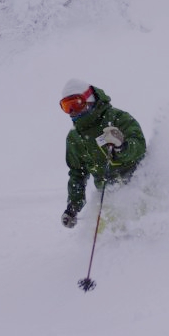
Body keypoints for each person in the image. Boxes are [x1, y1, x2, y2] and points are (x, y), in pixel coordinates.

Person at [58, 79, 147, 229]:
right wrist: (73, 206)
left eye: (76, 103)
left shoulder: (117, 118)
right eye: (67, 107)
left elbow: (139, 145)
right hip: (108, 194)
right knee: (109, 233)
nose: (72, 111)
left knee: (140, 225)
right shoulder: (75, 138)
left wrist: (122, 147)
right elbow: (77, 173)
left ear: (89, 99)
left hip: (139, 184)